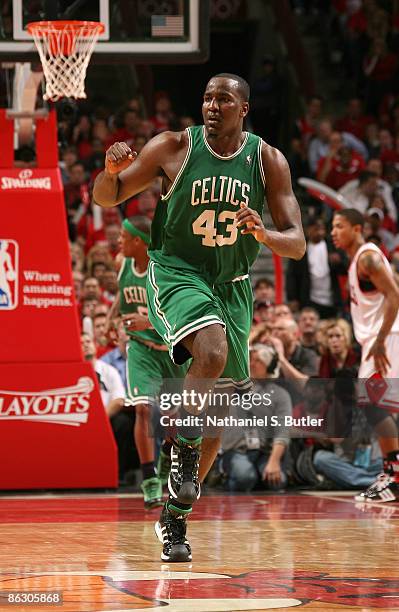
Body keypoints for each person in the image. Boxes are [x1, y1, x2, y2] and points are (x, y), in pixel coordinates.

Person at [93, 72, 305, 562]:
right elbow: (108, 196)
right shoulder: (171, 147)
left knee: (218, 416)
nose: (213, 106)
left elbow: (296, 241)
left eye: (224, 99)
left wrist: (267, 237)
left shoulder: (267, 160)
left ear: (243, 109)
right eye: (208, 98)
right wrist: (108, 172)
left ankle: (174, 519)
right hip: (176, 273)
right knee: (210, 352)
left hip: (231, 286)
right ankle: (180, 456)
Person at [110, 215, 188, 510]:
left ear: (139, 242)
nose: (118, 241)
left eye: (122, 236)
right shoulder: (122, 263)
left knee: (172, 422)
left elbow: (178, 311)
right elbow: (123, 294)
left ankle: (167, 460)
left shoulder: (164, 268)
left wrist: (148, 321)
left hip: (170, 347)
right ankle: (149, 479)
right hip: (141, 348)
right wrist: (111, 315)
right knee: (143, 408)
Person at [331, 208, 399, 502]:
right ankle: (392, 474)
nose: (334, 232)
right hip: (379, 338)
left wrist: (382, 339)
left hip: (385, 339)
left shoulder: (368, 257)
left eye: (340, 226)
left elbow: (395, 295)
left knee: (373, 404)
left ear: (357, 229)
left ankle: (394, 476)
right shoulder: (360, 259)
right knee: (377, 405)